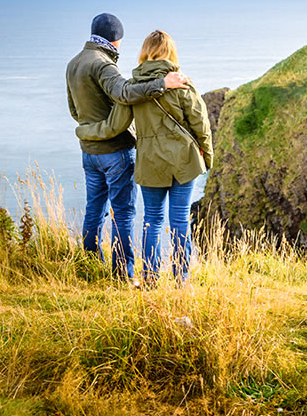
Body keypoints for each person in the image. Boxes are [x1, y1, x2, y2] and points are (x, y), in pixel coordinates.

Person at [75, 30, 213, 286]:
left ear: (144, 53)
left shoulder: (132, 88)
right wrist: (207, 157)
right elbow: (201, 124)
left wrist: (85, 131)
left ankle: (150, 278)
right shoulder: (183, 83)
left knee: (152, 219)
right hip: (184, 159)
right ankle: (181, 279)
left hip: (150, 162)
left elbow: (116, 125)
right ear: (170, 52)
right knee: (180, 218)